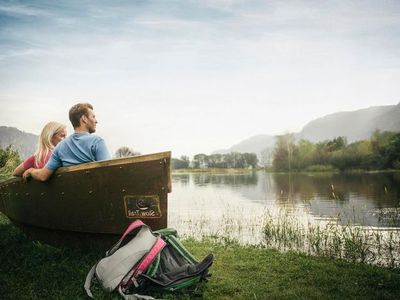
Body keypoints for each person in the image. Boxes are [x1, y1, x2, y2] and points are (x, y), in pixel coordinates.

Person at [23, 103, 110, 181]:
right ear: (84, 119)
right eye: (93, 117)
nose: (96, 121)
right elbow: (110, 172)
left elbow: (43, 176)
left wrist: (31, 171)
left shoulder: (60, 146)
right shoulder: (97, 142)